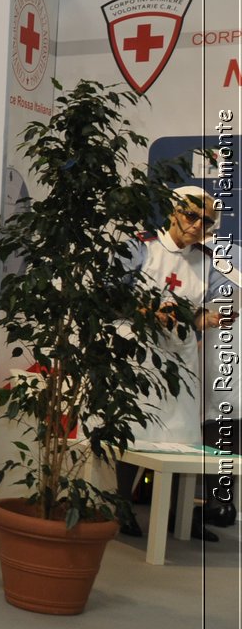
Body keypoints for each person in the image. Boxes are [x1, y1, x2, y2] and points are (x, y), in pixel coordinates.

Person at [118, 185, 232, 540]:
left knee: (183, 434)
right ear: (172, 212)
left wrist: (210, 320)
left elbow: (196, 315)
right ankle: (122, 505)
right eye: (191, 215)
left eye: (207, 221)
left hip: (180, 355)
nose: (198, 225)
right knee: (134, 429)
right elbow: (112, 297)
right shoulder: (142, 245)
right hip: (137, 348)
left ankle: (175, 515)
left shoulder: (207, 261)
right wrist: (147, 312)